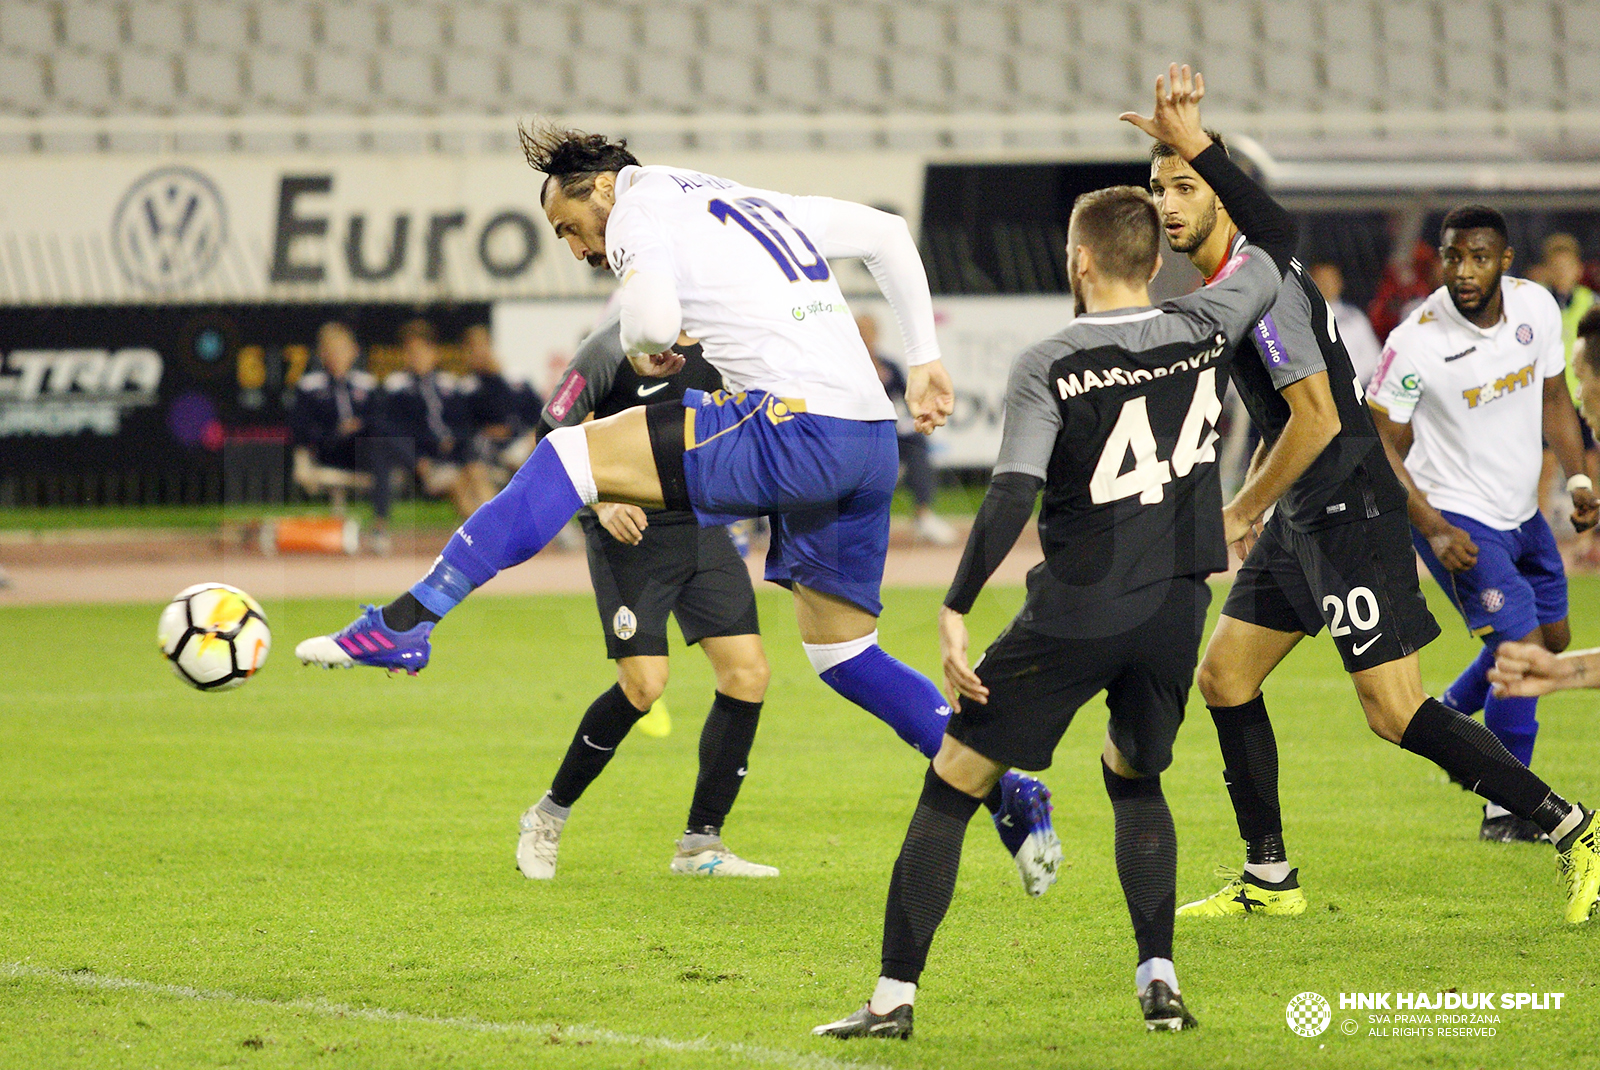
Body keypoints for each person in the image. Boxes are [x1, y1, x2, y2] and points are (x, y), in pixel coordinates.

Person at [297, 122, 1060, 892]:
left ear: (599, 187)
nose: (578, 249)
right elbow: (889, 236)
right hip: (867, 438)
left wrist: (641, 346)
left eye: (569, 227)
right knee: (843, 655)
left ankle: (405, 623)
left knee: (567, 455)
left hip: (796, 427)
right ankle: (1006, 790)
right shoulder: (740, 196)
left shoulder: (635, 208)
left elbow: (654, 323)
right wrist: (925, 358)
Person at [815, 66, 1299, 1040]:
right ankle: (1156, 976)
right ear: (1149, 257)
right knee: (1134, 775)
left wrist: (953, 604)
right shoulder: (1204, 324)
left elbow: (1009, 494)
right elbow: (1277, 241)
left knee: (953, 778)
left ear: (1081, 258)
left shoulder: (1054, 360)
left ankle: (891, 1001)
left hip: (1076, 604)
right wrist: (1199, 144)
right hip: (1174, 610)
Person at [1151, 161, 1596, 916]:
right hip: (1305, 511)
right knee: (1225, 678)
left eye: (1185, 186)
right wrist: (1263, 499)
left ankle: (1574, 830)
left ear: (1224, 200)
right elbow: (1294, 410)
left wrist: (1237, 510)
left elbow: (1321, 418)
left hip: (1351, 509)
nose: (1167, 204)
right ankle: (1269, 879)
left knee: (1394, 712)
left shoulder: (1260, 288)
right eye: (1158, 188)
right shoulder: (1247, 274)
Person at [1369, 206, 1599, 846]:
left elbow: (1557, 398)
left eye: (1477, 257)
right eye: (1451, 257)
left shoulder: (1536, 311)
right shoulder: (1416, 340)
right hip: (1456, 518)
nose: (1462, 271)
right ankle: (1507, 810)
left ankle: (1447, 715)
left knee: (1551, 641)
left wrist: (1577, 481)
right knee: (1520, 648)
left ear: (1503, 261)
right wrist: (1433, 528)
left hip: (1523, 511)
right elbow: (1379, 440)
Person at [516, 313, 776, 880]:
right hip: (628, 530)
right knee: (644, 685)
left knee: (747, 674)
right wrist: (601, 504)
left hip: (701, 526)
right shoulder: (609, 346)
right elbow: (548, 433)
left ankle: (700, 844)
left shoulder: (727, 340)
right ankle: (546, 816)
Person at [374, 319, 498, 519]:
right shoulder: (396, 387)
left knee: (477, 473)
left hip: (457, 455)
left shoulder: (449, 384)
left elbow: (466, 422)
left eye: (423, 351)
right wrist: (417, 459)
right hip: (426, 462)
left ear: (434, 353)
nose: (418, 358)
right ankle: (486, 539)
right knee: (457, 483)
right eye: (412, 352)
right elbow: (390, 431)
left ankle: (502, 531)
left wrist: (455, 442)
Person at [857, 311, 956, 546]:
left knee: (917, 443)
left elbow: (907, 396)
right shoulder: (845, 366)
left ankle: (924, 514)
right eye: (860, 331)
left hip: (887, 431)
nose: (865, 337)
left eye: (869, 331)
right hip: (855, 434)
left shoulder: (889, 366)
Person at [289, 321, 384, 516]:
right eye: (331, 350)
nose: (337, 356)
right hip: (327, 451)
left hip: (361, 453)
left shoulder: (368, 384)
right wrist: (336, 432)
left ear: (354, 351)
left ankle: (379, 524)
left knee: (385, 448)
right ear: (321, 353)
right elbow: (301, 430)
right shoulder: (308, 387)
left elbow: (380, 422)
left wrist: (359, 425)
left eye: (341, 350)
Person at [1308, 261, 1383, 388]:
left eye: (1330, 280)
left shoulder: (1355, 318)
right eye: (1320, 280)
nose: (1326, 285)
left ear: (1340, 283)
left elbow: (1373, 360)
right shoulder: (1301, 319)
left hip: (1356, 391)